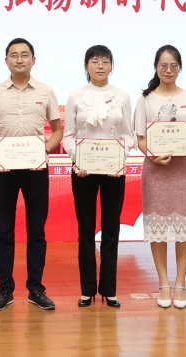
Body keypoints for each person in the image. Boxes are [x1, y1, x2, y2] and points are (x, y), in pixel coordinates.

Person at [0, 37, 62, 312]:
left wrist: (43, 150)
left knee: (36, 230)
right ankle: (5, 290)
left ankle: (36, 289)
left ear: (33, 60)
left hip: (36, 168)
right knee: (4, 230)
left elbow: (57, 131)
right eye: (14, 55)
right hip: (4, 168)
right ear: (6, 61)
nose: (19, 59)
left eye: (24, 55)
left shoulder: (46, 91)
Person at [62, 45, 135, 309]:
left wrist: (119, 157)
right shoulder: (76, 96)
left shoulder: (122, 96)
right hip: (83, 171)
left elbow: (128, 135)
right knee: (86, 229)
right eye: (95, 61)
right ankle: (87, 290)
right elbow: (68, 136)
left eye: (105, 61)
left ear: (111, 66)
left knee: (111, 229)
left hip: (114, 170)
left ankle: (109, 290)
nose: (100, 65)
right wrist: (77, 158)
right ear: (86, 66)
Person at [133, 45, 186, 310]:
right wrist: (151, 156)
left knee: (184, 228)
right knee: (158, 228)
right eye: (163, 65)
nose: (169, 70)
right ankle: (163, 282)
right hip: (156, 169)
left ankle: (180, 283)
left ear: (179, 68)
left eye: (173, 65)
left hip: (183, 169)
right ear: (156, 67)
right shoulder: (145, 99)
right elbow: (140, 137)